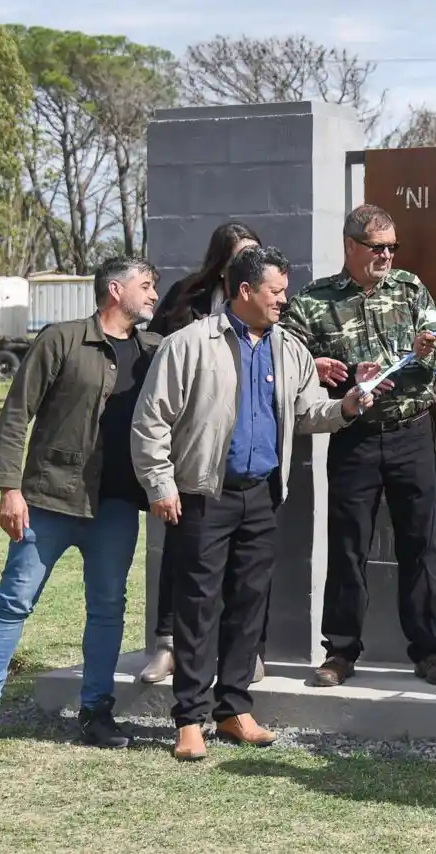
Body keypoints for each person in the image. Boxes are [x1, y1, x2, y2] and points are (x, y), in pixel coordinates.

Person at [130, 245, 388, 761]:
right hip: (203, 496)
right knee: (198, 609)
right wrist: (160, 486)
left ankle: (233, 709)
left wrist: (348, 405)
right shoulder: (189, 344)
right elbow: (151, 419)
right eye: (276, 292)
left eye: (285, 292)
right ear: (245, 291)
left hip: (263, 496)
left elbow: (308, 411)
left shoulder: (288, 348)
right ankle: (189, 719)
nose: (283, 302)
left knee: (250, 607)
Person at [0, 257, 161, 766]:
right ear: (115, 290)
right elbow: (16, 412)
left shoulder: (157, 350)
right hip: (48, 498)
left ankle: (96, 712)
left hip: (116, 505)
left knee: (108, 610)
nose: (155, 294)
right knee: (14, 602)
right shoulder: (62, 339)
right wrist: (8, 486)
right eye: (146, 285)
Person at [279, 203, 436, 689]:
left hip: (411, 433)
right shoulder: (315, 301)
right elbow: (283, 355)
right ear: (351, 247)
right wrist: (319, 365)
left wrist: (430, 347)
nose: (387, 256)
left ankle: (429, 651)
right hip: (354, 437)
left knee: (418, 546)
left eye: (392, 247)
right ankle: (340, 653)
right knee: (348, 546)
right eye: (378, 248)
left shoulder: (410, 287)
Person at [140, 220, 277, 685]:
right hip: (194, 449)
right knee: (183, 559)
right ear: (223, 263)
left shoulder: (271, 306)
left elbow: (281, 356)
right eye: (242, 254)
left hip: (246, 457)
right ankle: (167, 645)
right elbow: (158, 353)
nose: (251, 261)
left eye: (255, 252)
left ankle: (244, 653)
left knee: (248, 574)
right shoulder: (187, 300)